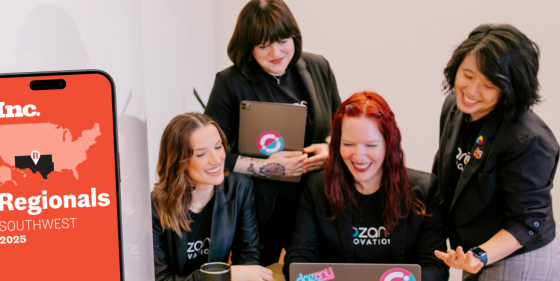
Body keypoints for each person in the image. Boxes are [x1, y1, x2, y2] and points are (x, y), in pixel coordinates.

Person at [204, 0, 341, 265]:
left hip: (315, 201)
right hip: (259, 209)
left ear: (294, 37)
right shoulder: (230, 83)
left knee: (311, 270)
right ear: (249, 47)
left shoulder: (318, 67)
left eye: (282, 40)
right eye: (263, 45)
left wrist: (328, 147)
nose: (275, 52)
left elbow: (339, 125)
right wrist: (268, 167)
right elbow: (211, 154)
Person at [431, 24, 560, 280]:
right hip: (476, 252)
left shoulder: (528, 139)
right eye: (467, 75)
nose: (471, 91)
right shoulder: (454, 108)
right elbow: (444, 178)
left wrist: (479, 255)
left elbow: (527, 222)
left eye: (489, 84)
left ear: (511, 88)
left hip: (519, 255)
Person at [282, 92, 449, 281]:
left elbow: (435, 268)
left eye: (371, 145)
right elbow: (298, 263)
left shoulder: (425, 191)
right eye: (348, 144)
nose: (358, 156)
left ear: (389, 144)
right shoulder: (317, 188)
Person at [151, 113, 273, 281]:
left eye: (218, 147)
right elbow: (160, 279)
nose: (217, 160)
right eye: (201, 154)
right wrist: (219, 276)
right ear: (178, 161)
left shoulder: (238, 188)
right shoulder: (154, 207)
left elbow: (248, 255)